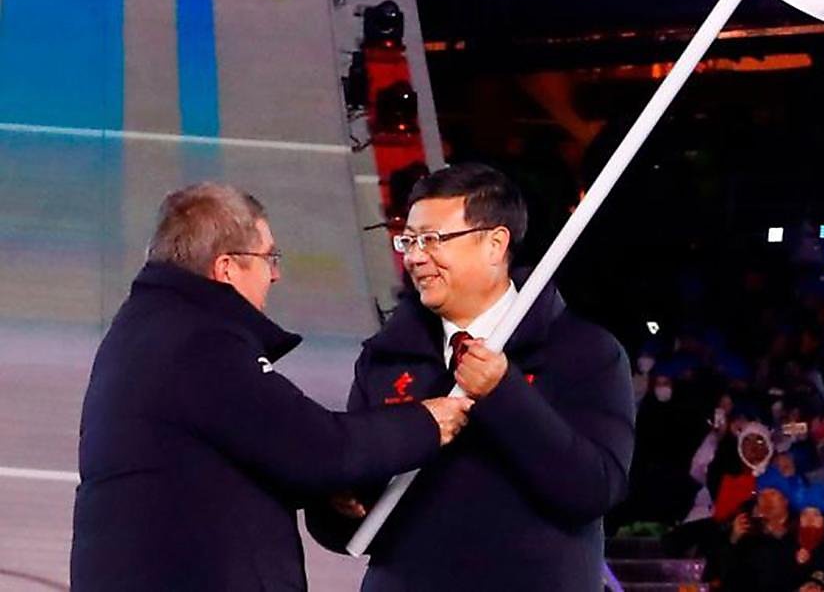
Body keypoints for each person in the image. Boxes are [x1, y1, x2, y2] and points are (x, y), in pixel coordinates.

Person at [71, 184, 469, 591]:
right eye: (269, 258)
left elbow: (239, 456)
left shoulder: (148, 330)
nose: (275, 274)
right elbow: (318, 446)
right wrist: (426, 422)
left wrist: (323, 488)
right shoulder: (201, 343)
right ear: (227, 268)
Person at [308, 163, 635, 590]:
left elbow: (594, 489)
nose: (414, 257)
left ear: (495, 244)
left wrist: (503, 392)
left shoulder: (584, 351)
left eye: (433, 240)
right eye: (409, 240)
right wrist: (339, 504)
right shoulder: (387, 357)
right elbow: (350, 519)